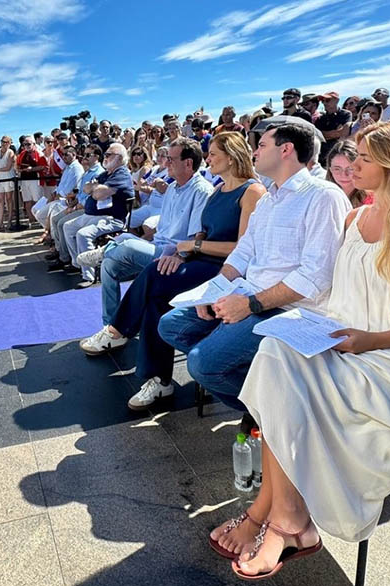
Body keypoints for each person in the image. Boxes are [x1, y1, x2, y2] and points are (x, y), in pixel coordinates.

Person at [215, 121, 390, 580]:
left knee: (282, 375)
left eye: (364, 158)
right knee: (277, 355)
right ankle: (282, 517)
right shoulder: (354, 219)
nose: (351, 165)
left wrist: (372, 341)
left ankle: (277, 517)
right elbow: (348, 298)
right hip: (354, 344)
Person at [158, 123, 350, 412]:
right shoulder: (269, 199)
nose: (254, 151)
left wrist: (249, 305)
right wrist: (212, 292)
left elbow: (315, 275)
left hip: (291, 309)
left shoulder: (323, 196)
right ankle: (266, 393)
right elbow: (243, 251)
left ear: (286, 150)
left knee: (202, 363)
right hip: (251, 294)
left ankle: (282, 413)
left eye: (261, 145)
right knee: (172, 325)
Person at [92, 133, 266, 409]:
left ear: (231, 157)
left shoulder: (252, 192)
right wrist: (180, 254)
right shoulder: (219, 190)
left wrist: (192, 246)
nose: (208, 159)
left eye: (213, 154)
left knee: (153, 275)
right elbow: (202, 231)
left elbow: (243, 248)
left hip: (225, 270)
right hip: (199, 260)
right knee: (155, 297)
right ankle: (159, 380)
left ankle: (119, 330)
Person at [79, 137, 214, 352]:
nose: (166, 163)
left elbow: (196, 237)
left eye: (171, 159)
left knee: (126, 246)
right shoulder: (172, 188)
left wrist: (179, 255)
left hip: (175, 256)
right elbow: (162, 231)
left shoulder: (202, 191)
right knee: (109, 265)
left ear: (188, 163)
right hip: (158, 246)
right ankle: (111, 326)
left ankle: (106, 250)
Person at [59, 143, 135, 284]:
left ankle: (89, 275)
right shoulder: (106, 174)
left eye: (108, 155)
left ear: (119, 158)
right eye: (105, 154)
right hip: (92, 216)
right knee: (68, 226)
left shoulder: (122, 174)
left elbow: (98, 195)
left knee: (83, 234)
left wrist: (96, 188)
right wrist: (96, 188)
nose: (105, 157)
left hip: (111, 219)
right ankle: (78, 263)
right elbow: (86, 188)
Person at [47, 147, 103, 270]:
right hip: (79, 205)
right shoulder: (87, 172)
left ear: (97, 157)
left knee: (63, 224)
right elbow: (80, 194)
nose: (84, 157)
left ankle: (69, 259)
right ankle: (62, 253)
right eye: (84, 154)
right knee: (55, 219)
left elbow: (93, 197)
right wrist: (72, 205)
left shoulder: (98, 173)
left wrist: (76, 207)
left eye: (88, 155)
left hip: (88, 209)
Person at [325, 140, 368, 207]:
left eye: (350, 169)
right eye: (337, 169)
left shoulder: (373, 201)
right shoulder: (322, 196)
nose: (344, 174)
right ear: (330, 170)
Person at [314, 92, 352, 165]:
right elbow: (317, 135)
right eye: (323, 101)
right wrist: (336, 133)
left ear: (336, 101)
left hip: (337, 155)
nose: (324, 103)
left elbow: (343, 133)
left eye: (327, 100)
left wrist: (324, 134)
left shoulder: (346, 114)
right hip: (321, 157)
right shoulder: (320, 118)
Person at [16, 136, 46, 225]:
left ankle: (40, 220)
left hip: (35, 180)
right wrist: (20, 169)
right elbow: (17, 165)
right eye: (25, 144)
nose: (27, 146)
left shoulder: (39, 153)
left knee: (37, 200)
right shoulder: (22, 154)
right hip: (24, 180)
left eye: (29, 144)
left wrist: (32, 169)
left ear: (33, 144)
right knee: (27, 200)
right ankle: (31, 220)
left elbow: (43, 166)